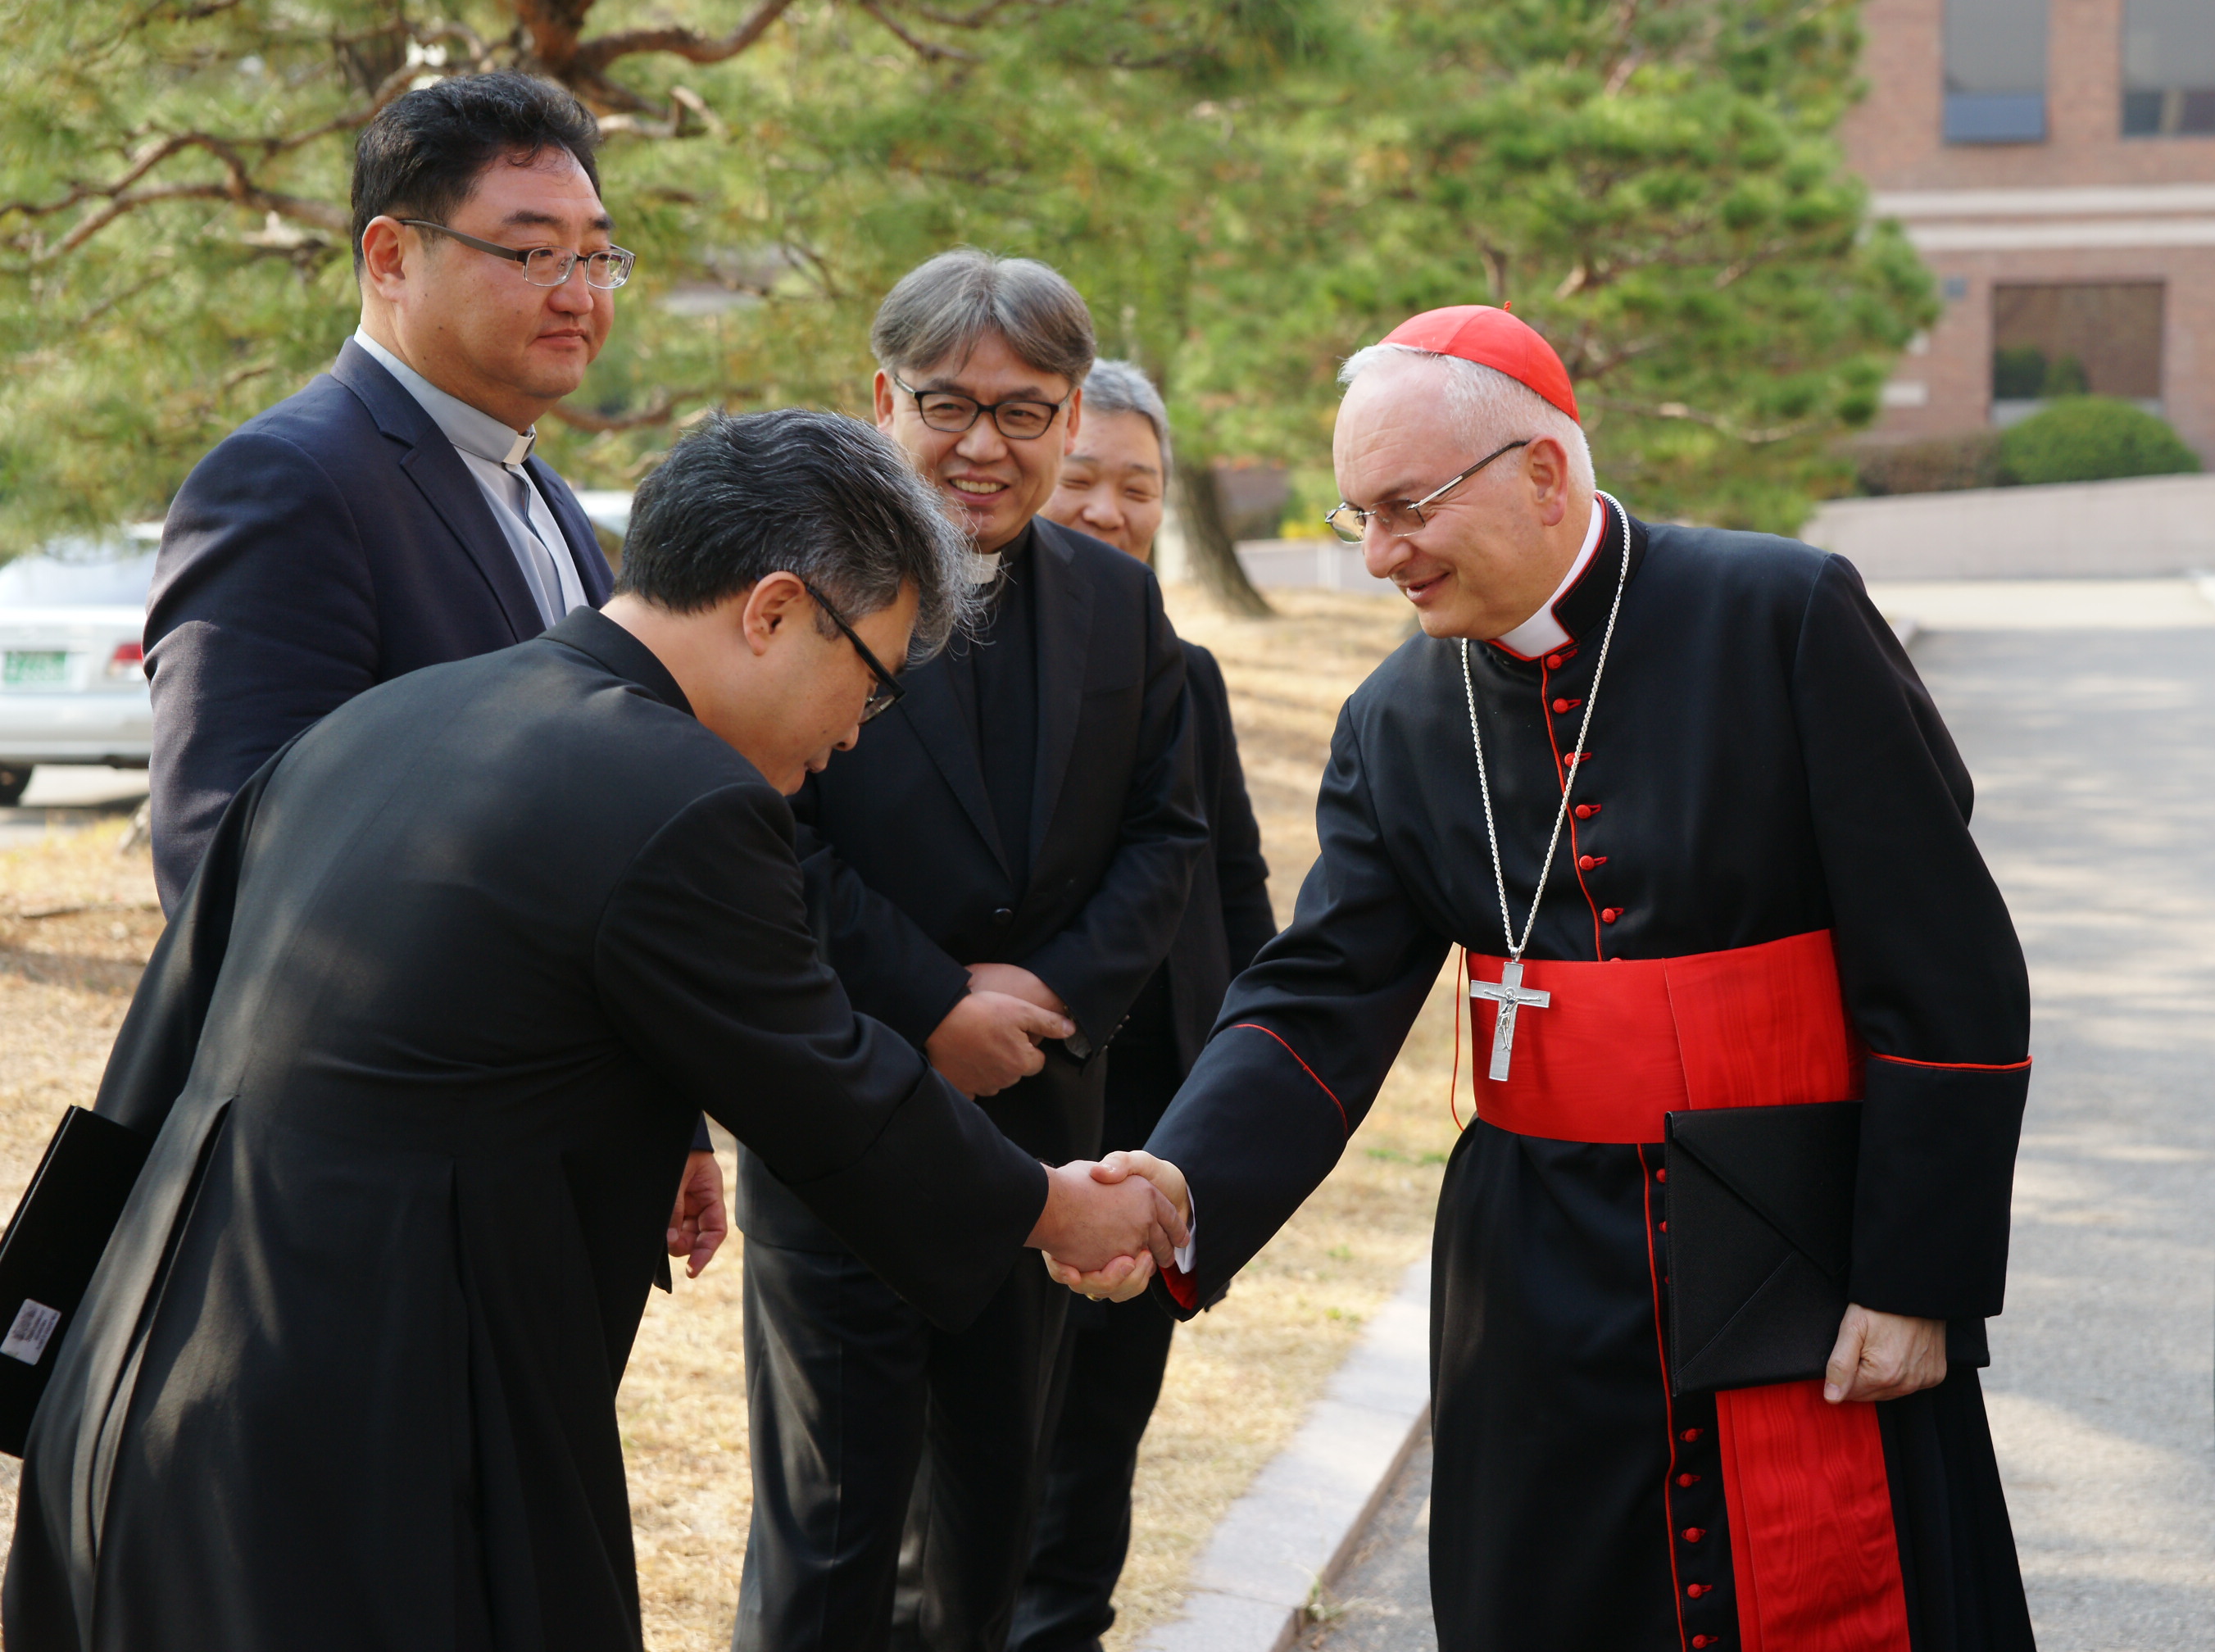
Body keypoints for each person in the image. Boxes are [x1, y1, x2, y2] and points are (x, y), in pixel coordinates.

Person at [2, 408, 1188, 1652]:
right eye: (876, 683)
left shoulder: (380, 722)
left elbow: (163, 1047)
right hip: (372, 1433)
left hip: (133, 1382)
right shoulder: (688, 798)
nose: (857, 732)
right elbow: (832, 1093)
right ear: (775, 611)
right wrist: (1058, 1208)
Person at [1064, 307, 2037, 1651]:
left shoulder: (1781, 617)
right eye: (1360, 518)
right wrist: (1181, 1182)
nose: (1382, 559)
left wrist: (1914, 1275)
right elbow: (1318, 999)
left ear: (1541, 471)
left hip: (1800, 1244)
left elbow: (1949, 968)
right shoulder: (1397, 722)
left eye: (1405, 508)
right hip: (1533, 1282)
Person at [139, 69, 729, 1277]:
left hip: (552, 1178)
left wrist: (666, 1113)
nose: (577, 293)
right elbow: (226, 859)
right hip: (384, 1201)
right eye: (529, 253)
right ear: (390, 257)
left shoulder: (550, 500)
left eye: (597, 256)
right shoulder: (291, 484)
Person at [731, 256, 1206, 1652]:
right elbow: (765, 829)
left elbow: (1166, 834)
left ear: (1071, 420)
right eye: (949, 405)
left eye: (1027, 411)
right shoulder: (793, 591)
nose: (985, 445)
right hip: (847, 1127)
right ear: (881, 399)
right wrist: (936, 1001)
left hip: (1041, 1138)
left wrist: (1049, 994)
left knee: (993, 1529)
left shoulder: (1121, 606)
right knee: (829, 1548)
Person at [1011, 361, 1276, 1652]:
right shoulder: (953, 667)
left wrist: (1244, 1099)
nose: (1110, 510)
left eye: (1140, 488)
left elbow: (1235, 886)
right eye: (1085, 478)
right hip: (1014, 1122)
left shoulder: (1190, 673)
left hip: (1156, 1130)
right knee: (978, 1470)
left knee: (1096, 1456)